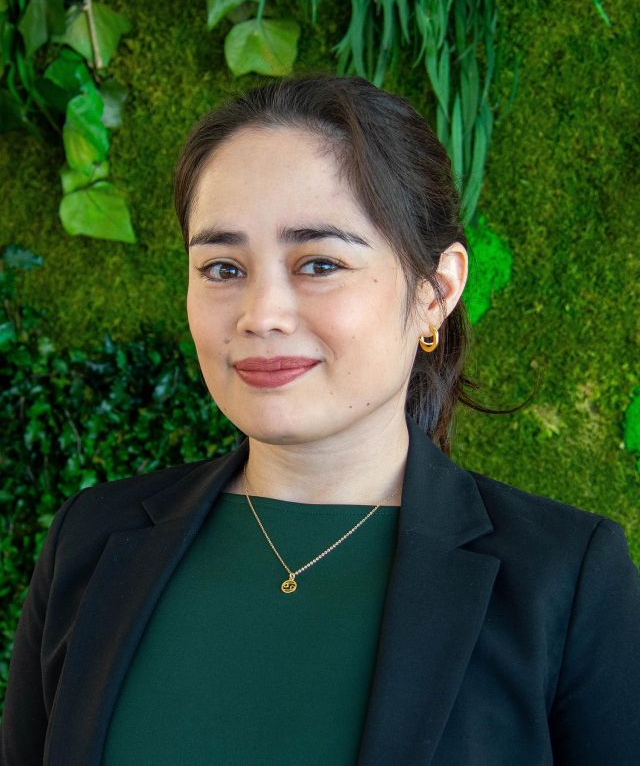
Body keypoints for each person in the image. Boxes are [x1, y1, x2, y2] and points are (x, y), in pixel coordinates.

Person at [1, 74, 639, 766]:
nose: (261, 313)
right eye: (221, 267)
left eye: (319, 262)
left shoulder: (562, 579)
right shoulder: (90, 540)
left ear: (437, 290)